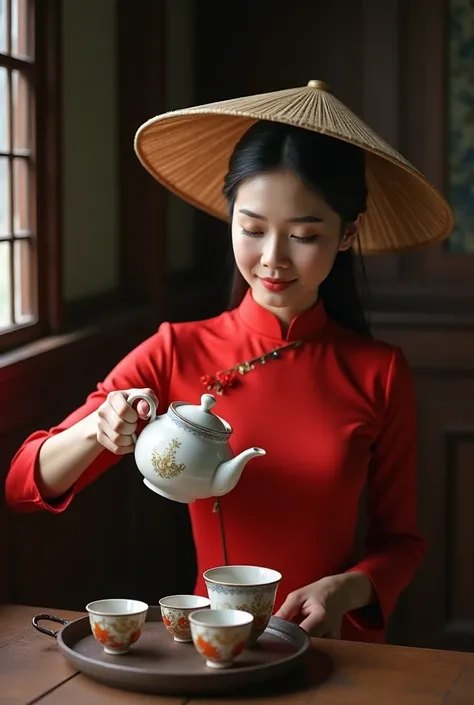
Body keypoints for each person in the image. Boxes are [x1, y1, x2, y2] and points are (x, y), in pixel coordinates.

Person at [5, 81, 453, 643]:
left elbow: (401, 544)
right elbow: (25, 481)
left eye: (305, 235)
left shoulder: (377, 371)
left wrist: (347, 587)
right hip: (210, 643)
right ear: (230, 218)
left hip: (334, 646)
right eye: (252, 228)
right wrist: (99, 429)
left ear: (348, 234)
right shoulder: (176, 349)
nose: (272, 259)